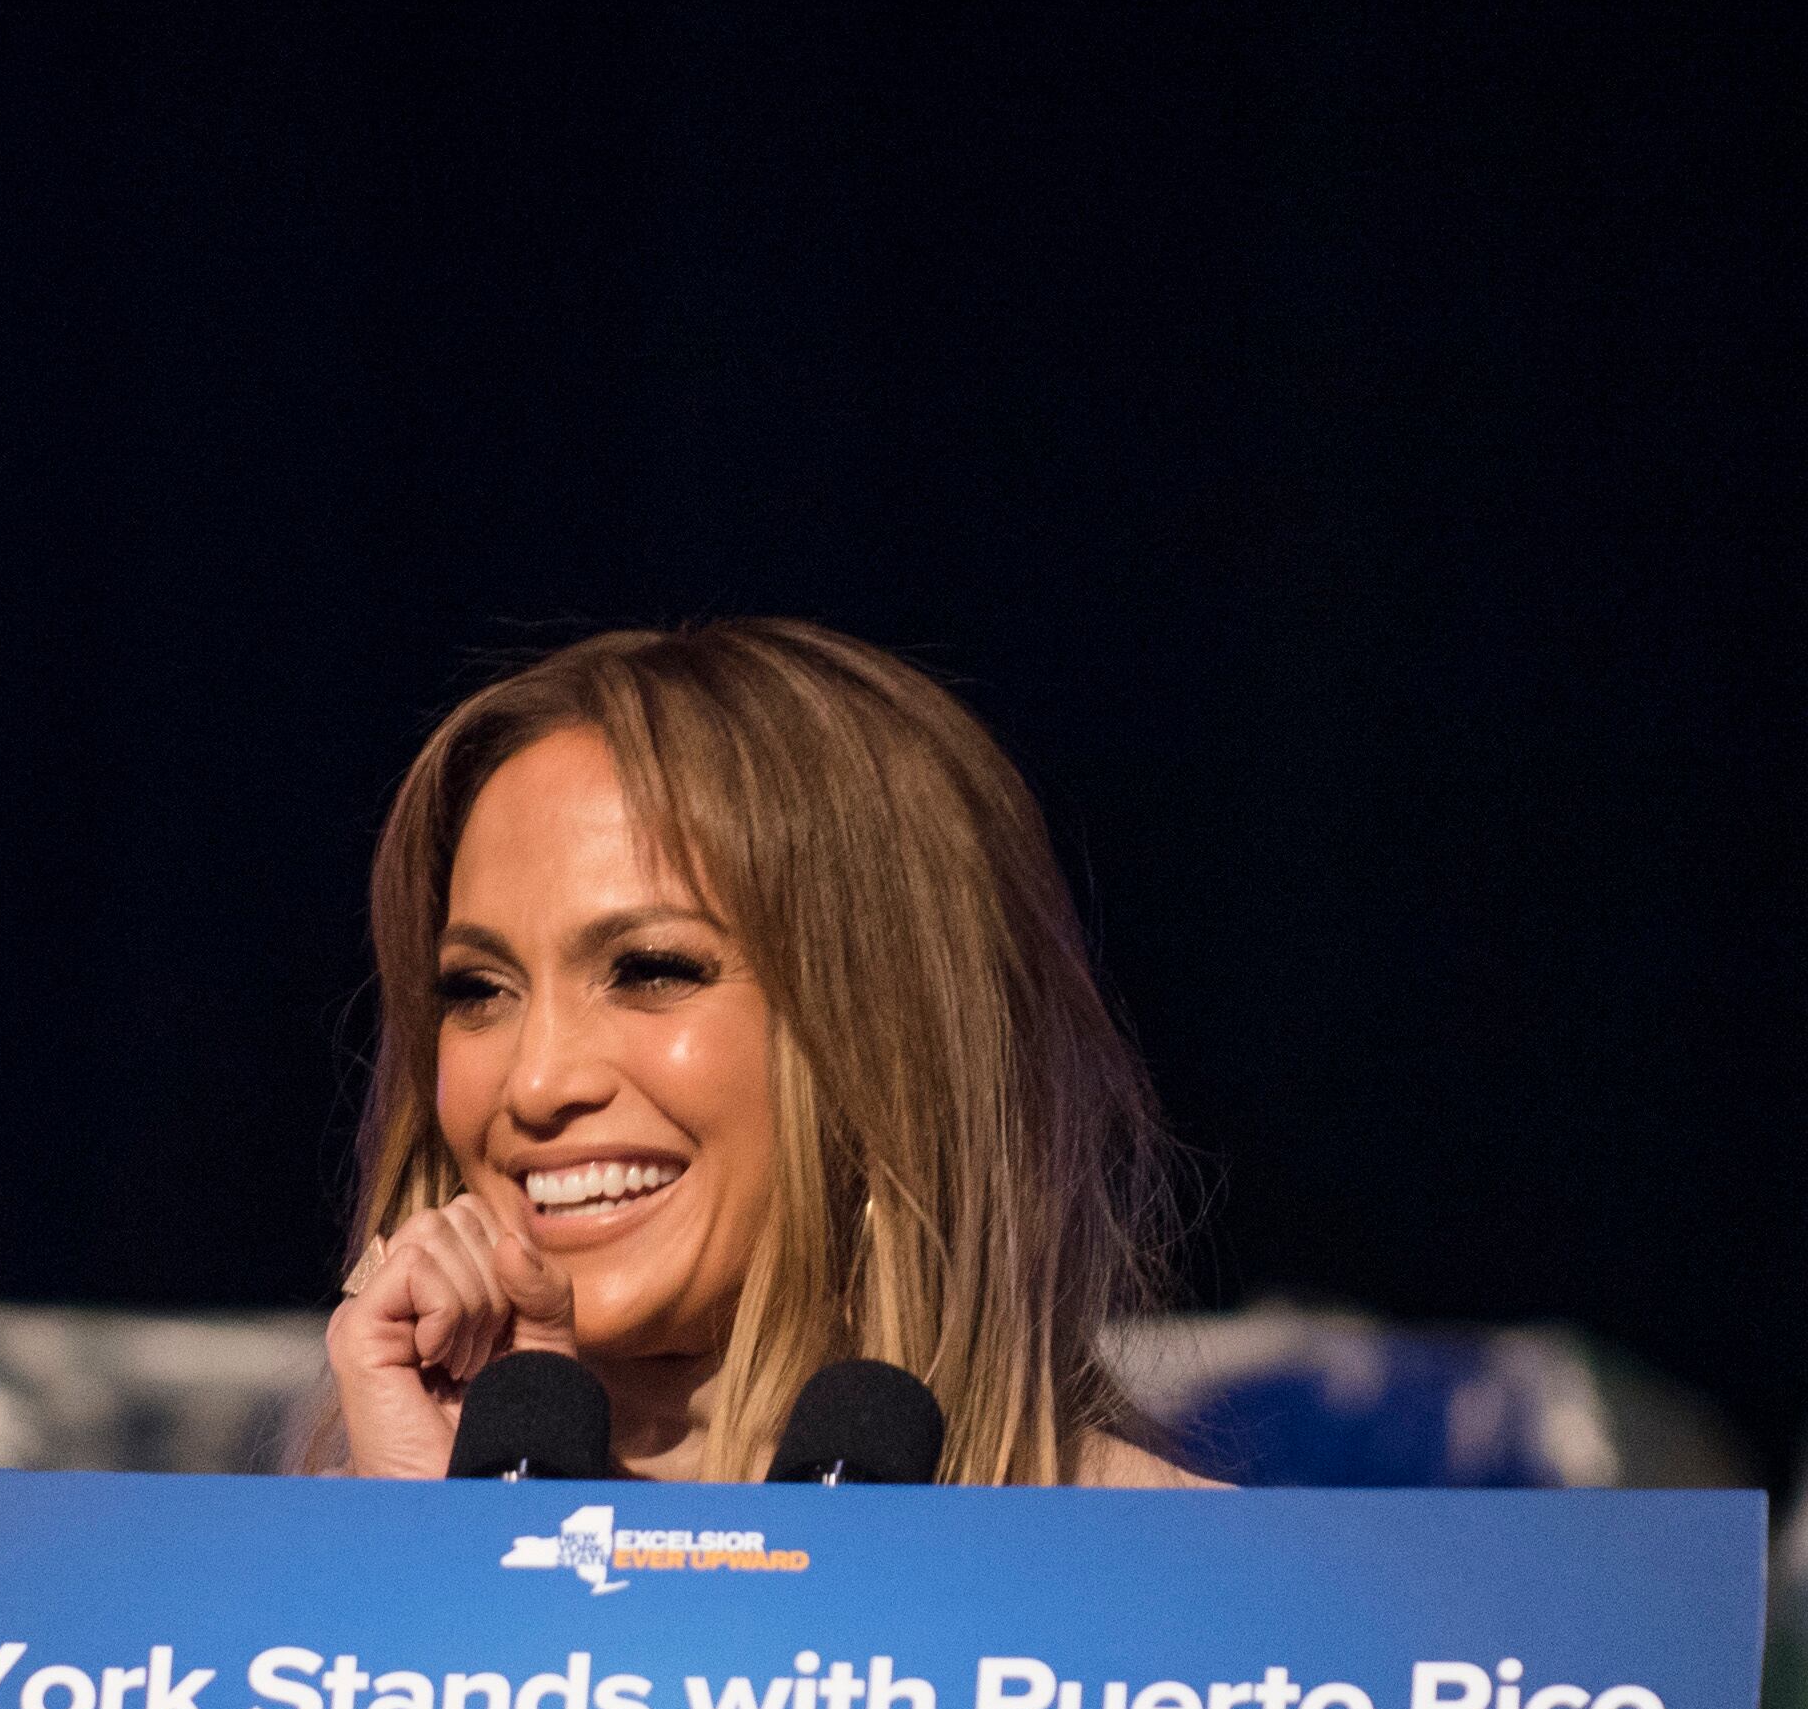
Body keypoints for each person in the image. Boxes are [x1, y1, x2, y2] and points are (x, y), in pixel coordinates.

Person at [322, 621, 1209, 1488]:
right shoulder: (305, 1564)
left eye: (651, 969)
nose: (536, 1083)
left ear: (892, 1048)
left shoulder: (1178, 1567)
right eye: (477, 990)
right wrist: (427, 1537)